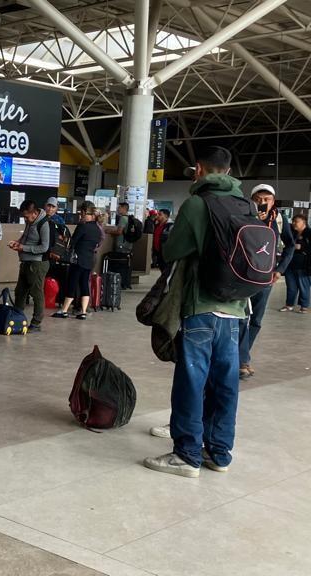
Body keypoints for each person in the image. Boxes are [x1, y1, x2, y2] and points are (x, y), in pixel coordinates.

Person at [144, 146, 248, 478]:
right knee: (225, 383)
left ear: (199, 170)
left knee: (191, 379)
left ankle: (187, 454)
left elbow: (172, 250)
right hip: (234, 308)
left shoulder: (196, 204)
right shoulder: (245, 205)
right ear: (229, 171)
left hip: (200, 306)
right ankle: (219, 452)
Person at [237, 183, 294, 379]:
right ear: (251, 201)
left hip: (267, 277)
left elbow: (290, 245)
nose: (262, 203)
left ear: (273, 201)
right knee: (242, 317)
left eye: (267, 200)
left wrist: (280, 270)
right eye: (258, 199)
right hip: (245, 276)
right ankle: (242, 361)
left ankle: (242, 358)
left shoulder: (279, 219)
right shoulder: (244, 217)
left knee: (256, 320)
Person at [52, 206, 102, 320]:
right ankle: (83, 311)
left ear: (90, 215)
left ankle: (64, 310)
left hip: (78, 259)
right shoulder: (97, 229)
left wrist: (63, 238)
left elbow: (72, 242)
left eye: (83, 214)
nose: (81, 216)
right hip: (89, 259)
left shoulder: (82, 227)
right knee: (84, 284)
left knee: (72, 283)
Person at [9, 200, 50, 332]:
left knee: (36, 293)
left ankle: (36, 323)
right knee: (20, 291)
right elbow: (26, 236)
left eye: (26, 216)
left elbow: (44, 247)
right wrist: (18, 242)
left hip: (37, 264)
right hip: (26, 263)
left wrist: (24, 248)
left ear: (35, 213)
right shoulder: (30, 222)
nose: (25, 219)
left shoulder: (44, 224)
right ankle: (17, 317)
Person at [280, 214, 310, 313]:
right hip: (290, 264)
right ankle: (289, 305)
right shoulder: (292, 233)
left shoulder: (309, 233)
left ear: (304, 222)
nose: (293, 223)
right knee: (291, 286)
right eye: (293, 221)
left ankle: (304, 306)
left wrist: (301, 247)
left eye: (296, 221)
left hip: (303, 265)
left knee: (303, 286)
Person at [106, 202, 139, 289]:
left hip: (121, 245)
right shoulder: (129, 218)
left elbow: (119, 232)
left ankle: (120, 283)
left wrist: (108, 231)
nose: (118, 209)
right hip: (128, 245)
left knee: (119, 265)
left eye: (119, 208)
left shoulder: (123, 219)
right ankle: (125, 283)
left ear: (124, 208)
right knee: (125, 265)